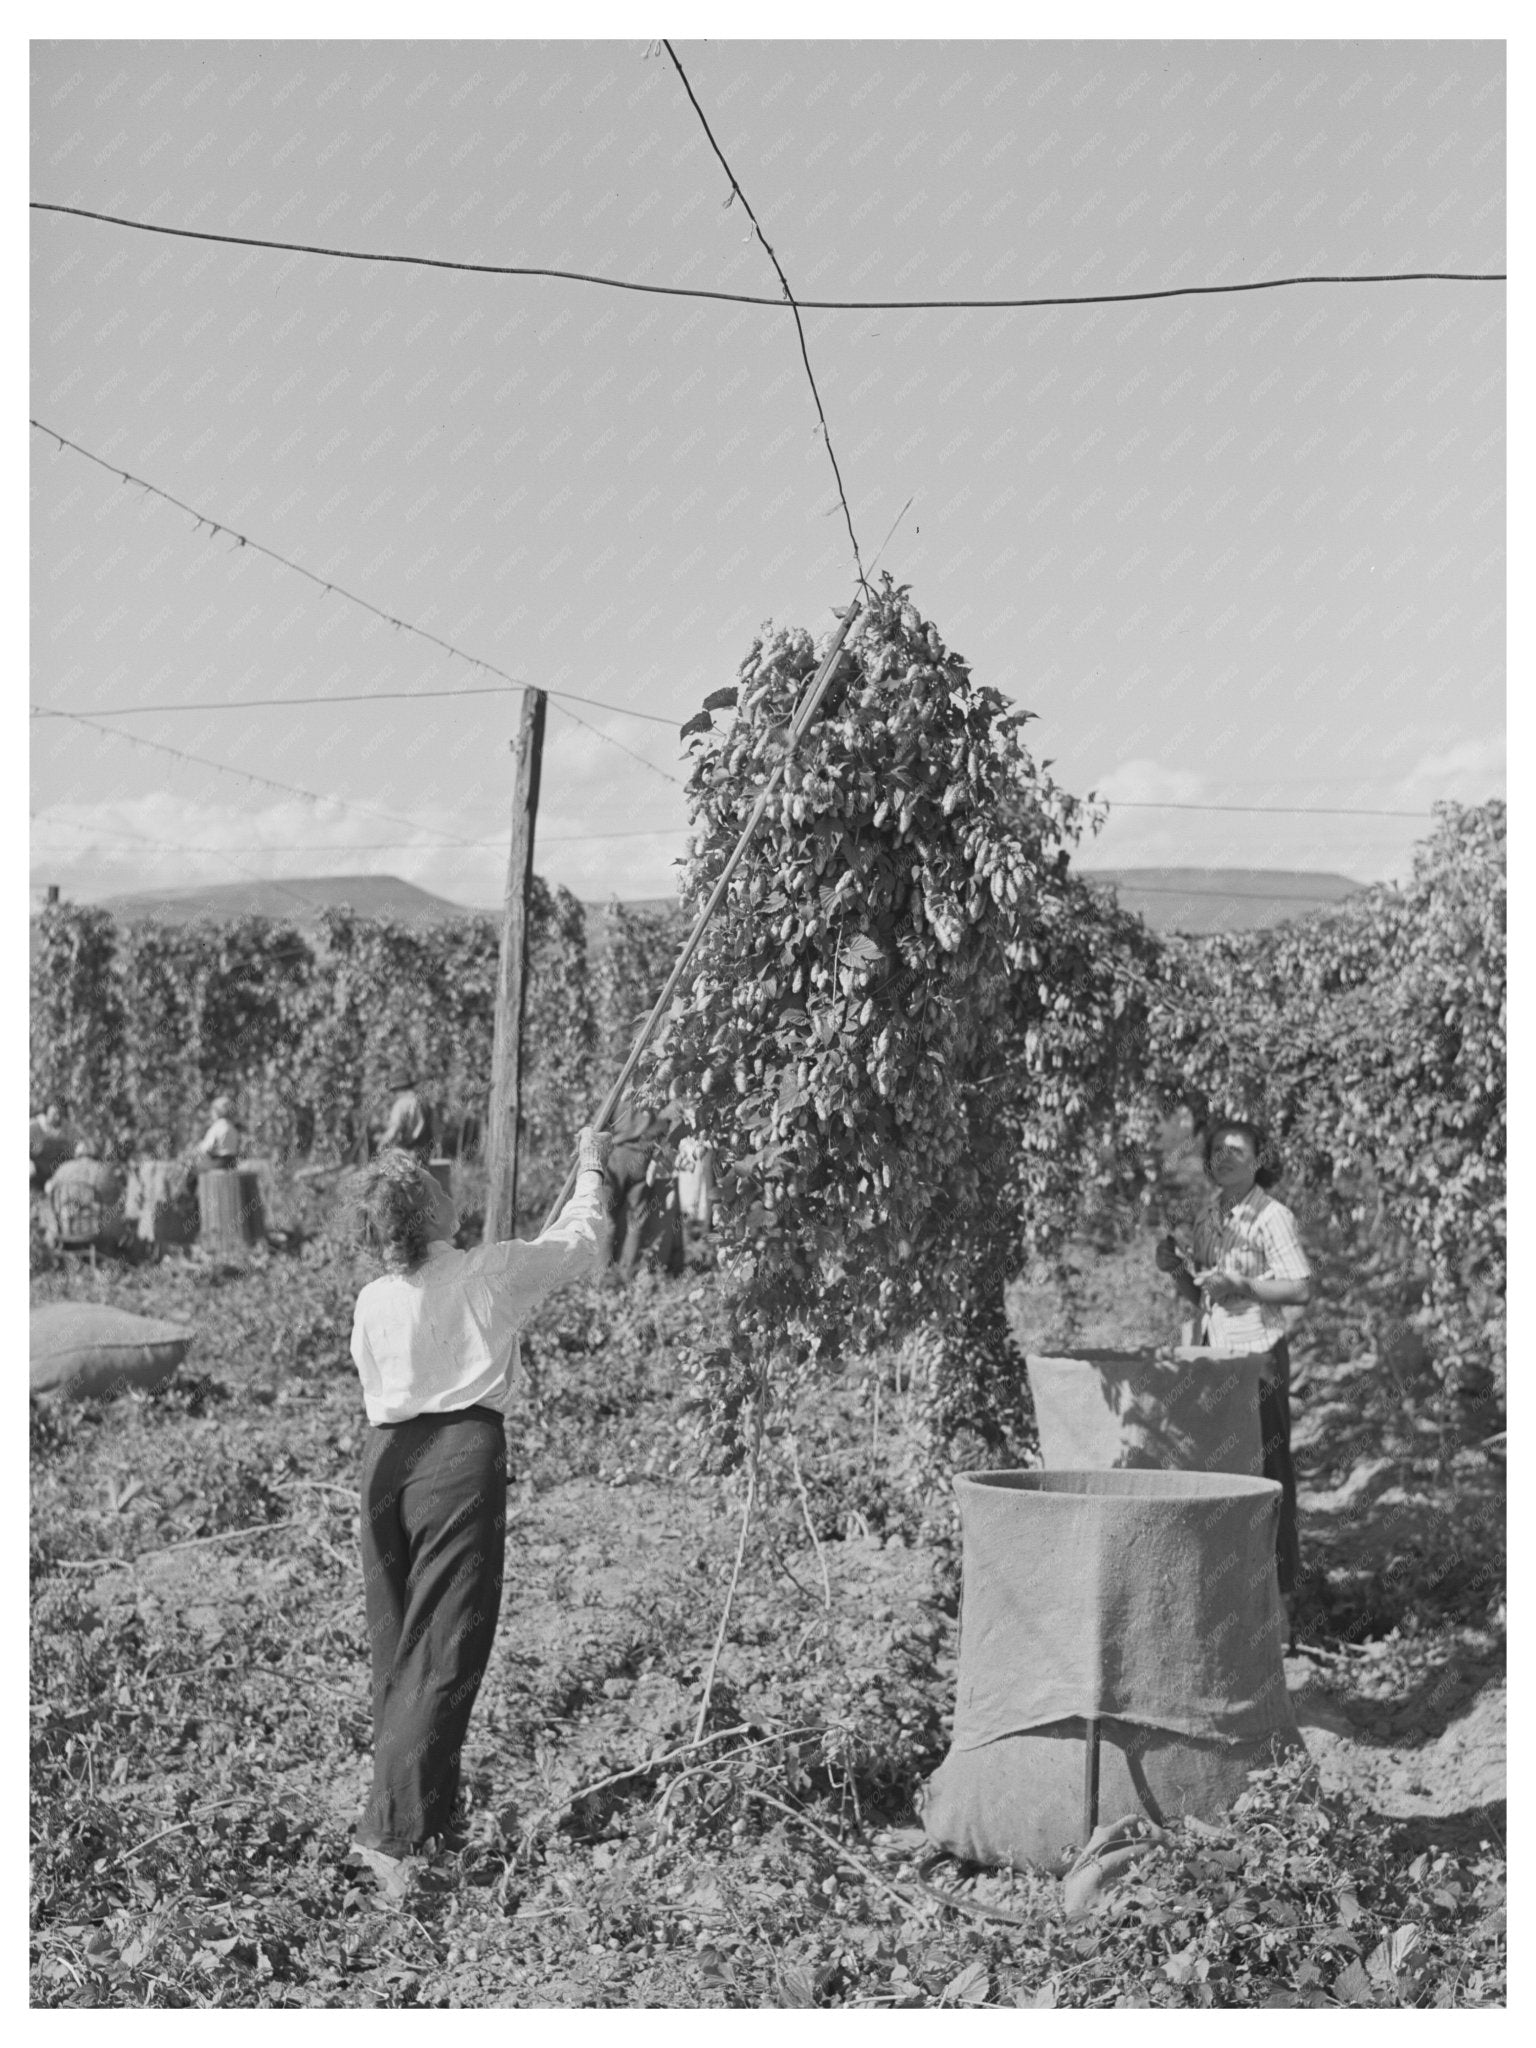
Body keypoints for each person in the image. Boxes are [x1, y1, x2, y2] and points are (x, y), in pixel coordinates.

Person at [344, 1123, 613, 1899]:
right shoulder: (490, 1272)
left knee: (402, 1645)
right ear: (428, 1216)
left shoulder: (375, 1298)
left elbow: (376, 1376)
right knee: (446, 1648)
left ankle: (422, 1816)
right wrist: (590, 1166)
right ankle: (391, 1840)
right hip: (458, 1461)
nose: (448, 1190)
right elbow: (580, 1244)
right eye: (436, 1188)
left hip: (387, 1463)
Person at [1156, 1117, 1312, 1632]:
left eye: (1238, 1150)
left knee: (1266, 1474)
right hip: (1212, 1356)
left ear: (1259, 1159)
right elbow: (1202, 1295)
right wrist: (1176, 1269)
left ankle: (1279, 1602)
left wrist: (1242, 1282)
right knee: (1219, 1475)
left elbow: (1298, 1287)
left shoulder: (1271, 1216)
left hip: (1257, 1357)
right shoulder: (1210, 1214)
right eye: (1217, 1150)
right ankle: (1228, 1594)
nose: (1225, 1157)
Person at [605, 1098, 685, 1280]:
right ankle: (627, 1274)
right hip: (643, 1156)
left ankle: (601, 1277)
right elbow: (666, 1123)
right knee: (636, 1218)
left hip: (616, 1154)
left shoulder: (620, 1091)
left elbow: (599, 1122)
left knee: (606, 1217)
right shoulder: (656, 1093)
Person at [44, 1139, 131, 1254]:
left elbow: (49, 1189)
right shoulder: (102, 1170)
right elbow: (113, 1197)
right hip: (92, 1228)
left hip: (64, 1227)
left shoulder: (63, 1168)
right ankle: (117, 1251)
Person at [378, 1071, 435, 1167]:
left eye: (394, 1091)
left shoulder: (401, 1104)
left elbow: (395, 1129)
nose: (393, 1095)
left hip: (407, 1154)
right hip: (424, 1153)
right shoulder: (425, 1103)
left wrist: (382, 1146)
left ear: (399, 1089)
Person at [196, 1095, 242, 1171]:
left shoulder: (217, 1126)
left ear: (216, 1112)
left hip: (218, 1163)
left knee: (193, 1171)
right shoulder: (232, 1127)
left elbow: (206, 1148)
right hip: (232, 1162)